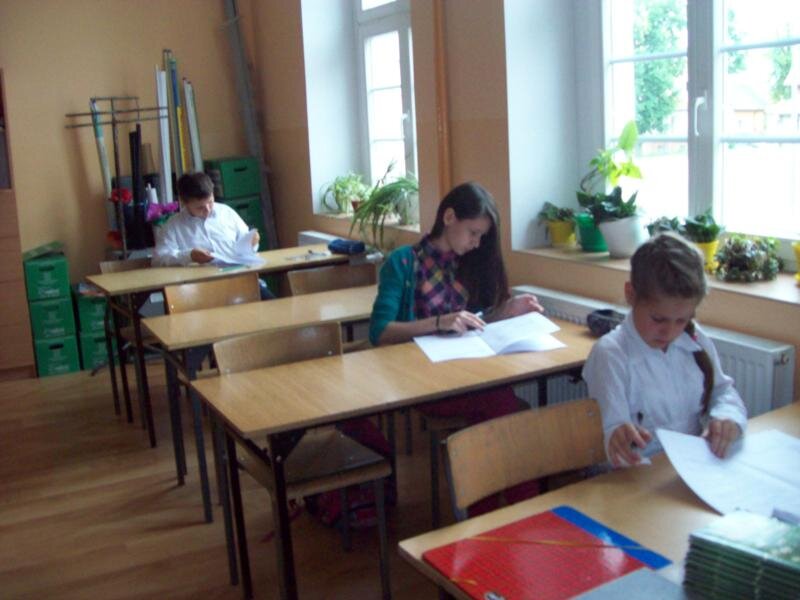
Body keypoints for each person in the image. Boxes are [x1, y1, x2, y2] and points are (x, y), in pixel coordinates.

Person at [369, 181, 544, 515]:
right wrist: (438, 323)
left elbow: (475, 321)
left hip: (468, 373)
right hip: (422, 380)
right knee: (503, 407)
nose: (476, 243)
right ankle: (525, 510)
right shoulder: (403, 263)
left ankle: (488, 513)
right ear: (448, 217)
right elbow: (380, 332)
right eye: (473, 233)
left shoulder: (470, 263)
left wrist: (506, 311)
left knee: (495, 414)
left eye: (481, 236)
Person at [582, 232, 747, 468]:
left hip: (688, 467)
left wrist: (727, 417)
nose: (669, 331)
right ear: (631, 294)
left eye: (682, 320)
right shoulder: (611, 354)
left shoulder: (695, 340)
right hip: (635, 475)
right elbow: (612, 432)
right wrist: (618, 437)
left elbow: (722, 391)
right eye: (658, 319)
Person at [152, 171, 273, 299]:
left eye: (210, 202)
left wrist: (252, 242)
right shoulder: (173, 226)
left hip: (241, 278)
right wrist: (189, 256)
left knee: (274, 304)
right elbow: (159, 259)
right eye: (200, 207)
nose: (208, 210)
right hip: (201, 289)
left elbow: (245, 242)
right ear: (184, 203)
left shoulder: (226, 212)